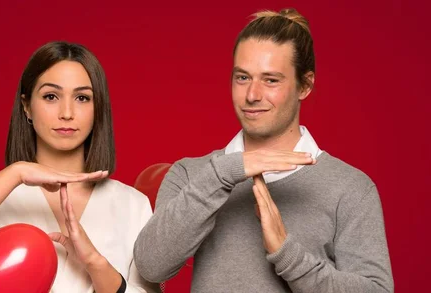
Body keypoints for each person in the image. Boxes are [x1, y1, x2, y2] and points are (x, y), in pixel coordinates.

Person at [133, 8, 394, 292]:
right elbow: (150, 265)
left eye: (271, 80)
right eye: (242, 78)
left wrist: (287, 254)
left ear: (304, 85)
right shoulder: (193, 174)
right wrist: (225, 172)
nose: (252, 95)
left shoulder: (351, 188)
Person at [0, 41, 159, 293]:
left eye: (82, 97)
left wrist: (95, 263)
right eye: (51, 96)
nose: (67, 112)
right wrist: (17, 172)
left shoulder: (133, 205)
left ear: (97, 109)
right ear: (26, 106)